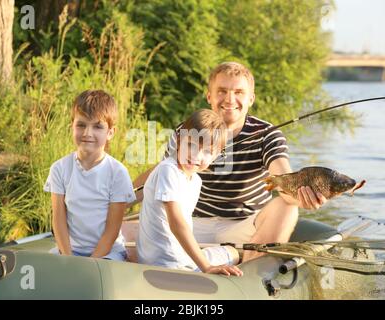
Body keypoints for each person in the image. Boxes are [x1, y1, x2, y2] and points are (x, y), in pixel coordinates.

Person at [133, 62, 327, 262]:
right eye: (222, 91)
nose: (230, 99)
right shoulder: (188, 130)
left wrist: (304, 197)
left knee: (287, 207)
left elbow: (284, 178)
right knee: (124, 230)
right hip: (191, 224)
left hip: (245, 227)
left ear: (251, 98)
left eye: (239, 92)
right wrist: (119, 201)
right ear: (209, 96)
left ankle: (252, 275)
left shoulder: (268, 135)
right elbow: (161, 173)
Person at [137, 109, 243, 276]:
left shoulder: (195, 181)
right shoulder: (167, 170)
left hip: (181, 259)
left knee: (233, 252)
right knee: (233, 254)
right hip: (168, 264)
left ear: (216, 156)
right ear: (179, 140)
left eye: (207, 151)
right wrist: (206, 267)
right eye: (191, 145)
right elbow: (177, 224)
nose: (196, 155)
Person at [44, 90, 136, 260]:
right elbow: (58, 220)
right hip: (70, 251)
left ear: (110, 132)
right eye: (81, 125)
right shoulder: (59, 168)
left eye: (97, 126)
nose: (87, 133)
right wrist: (68, 257)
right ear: (72, 125)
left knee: (96, 280)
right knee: (49, 272)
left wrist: (91, 263)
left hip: (107, 252)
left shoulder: (117, 173)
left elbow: (112, 229)